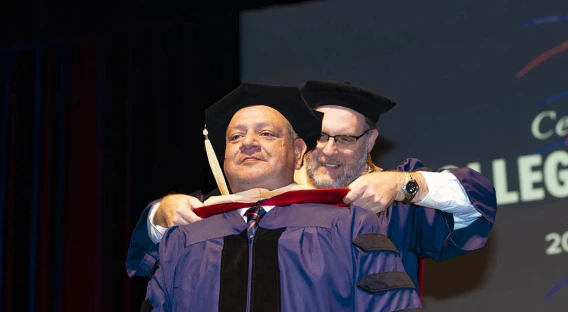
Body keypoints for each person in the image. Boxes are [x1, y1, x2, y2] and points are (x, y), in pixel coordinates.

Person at [108, 83, 461, 312]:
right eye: (235, 137)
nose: (248, 142)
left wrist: (404, 183)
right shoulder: (185, 243)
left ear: (298, 152)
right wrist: (161, 210)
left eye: (266, 134)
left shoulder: (351, 227)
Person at [126, 80, 497, 295]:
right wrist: (162, 211)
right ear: (300, 142)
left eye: (346, 139)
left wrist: (406, 184)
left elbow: (474, 201)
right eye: (319, 137)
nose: (329, 151)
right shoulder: (258, 202)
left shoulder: (391, 205)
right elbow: (152, 247)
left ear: (369, 142)